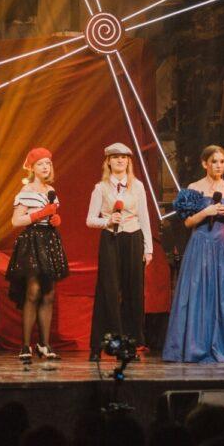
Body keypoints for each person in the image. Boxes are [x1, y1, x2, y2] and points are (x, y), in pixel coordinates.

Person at [163, 145, 224, 363]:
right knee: (199, 293)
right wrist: (206, 211)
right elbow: (188, 222)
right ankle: (197, 346)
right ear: (205, 164)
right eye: (214, 161)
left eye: (222, 161)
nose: (219, 166)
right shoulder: (194, 187)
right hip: (201, 245)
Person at [85, 142, 153, 361]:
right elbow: (90, 220)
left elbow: (144, 218)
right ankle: (98, 346)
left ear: (128, 161)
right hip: (111, 239)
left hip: (133, 238)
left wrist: (148, 249)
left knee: (133, 293)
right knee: (109, 291)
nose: (120, 161)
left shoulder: (138, 186)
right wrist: (106, 221)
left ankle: (128, 346)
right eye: (115, 157)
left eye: (123, 157)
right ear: (108, 162)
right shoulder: (101, 188)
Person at [6, 148, 69, 362]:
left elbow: (53, 214)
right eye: (40, 164)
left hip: (49, 241)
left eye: (48, 163)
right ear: (32, 168)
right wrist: (40, 214)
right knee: (33, 291)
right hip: (32, 242)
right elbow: (16, 221)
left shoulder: (51, 191)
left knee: (49, 294)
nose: (45, 167)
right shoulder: (26, 191)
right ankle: (25, 345)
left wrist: (55, 220)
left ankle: (44, 344)